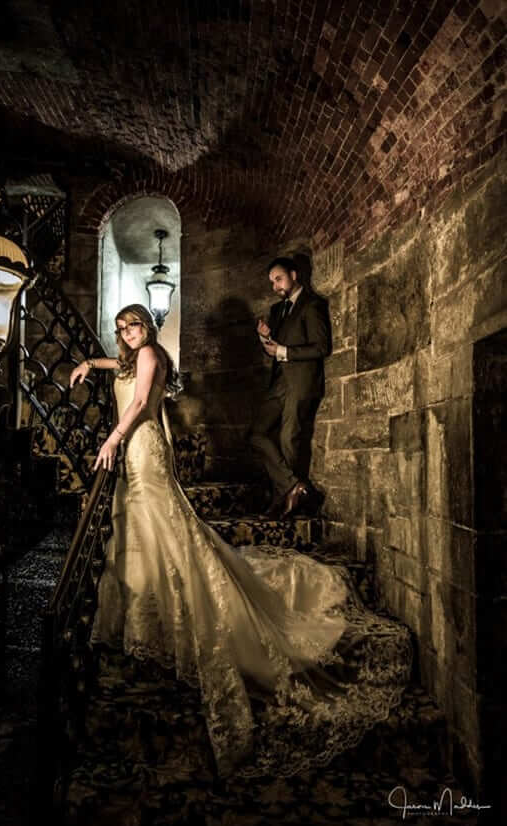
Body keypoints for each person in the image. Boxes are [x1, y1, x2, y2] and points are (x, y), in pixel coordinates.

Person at [69, 303, 412, 778]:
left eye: (135, 325)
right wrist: (92, 363)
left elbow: (137, 399)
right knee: (141, 532)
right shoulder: (132, 354)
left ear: (147, 326)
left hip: (142, 447)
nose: (128, 334)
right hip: (134, 453)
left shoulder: (150, 355)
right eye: (121, 328)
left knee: (164, 532)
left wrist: (111, 439)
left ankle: (176, 615)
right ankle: (150, 619)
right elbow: (122, 366)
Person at [251, 257, 332, 518]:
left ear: (294, 275)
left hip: (301, 381)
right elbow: (274, 351)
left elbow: (322, 347)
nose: (275, 286)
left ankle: (285, 500)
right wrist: (265, 337)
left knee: (288, 438)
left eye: (279, 278)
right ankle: (293, 486)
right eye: (272, 282)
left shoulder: (313, 304)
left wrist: (282, 350)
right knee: (256, 433)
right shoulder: (277, 311)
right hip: (278, 383)